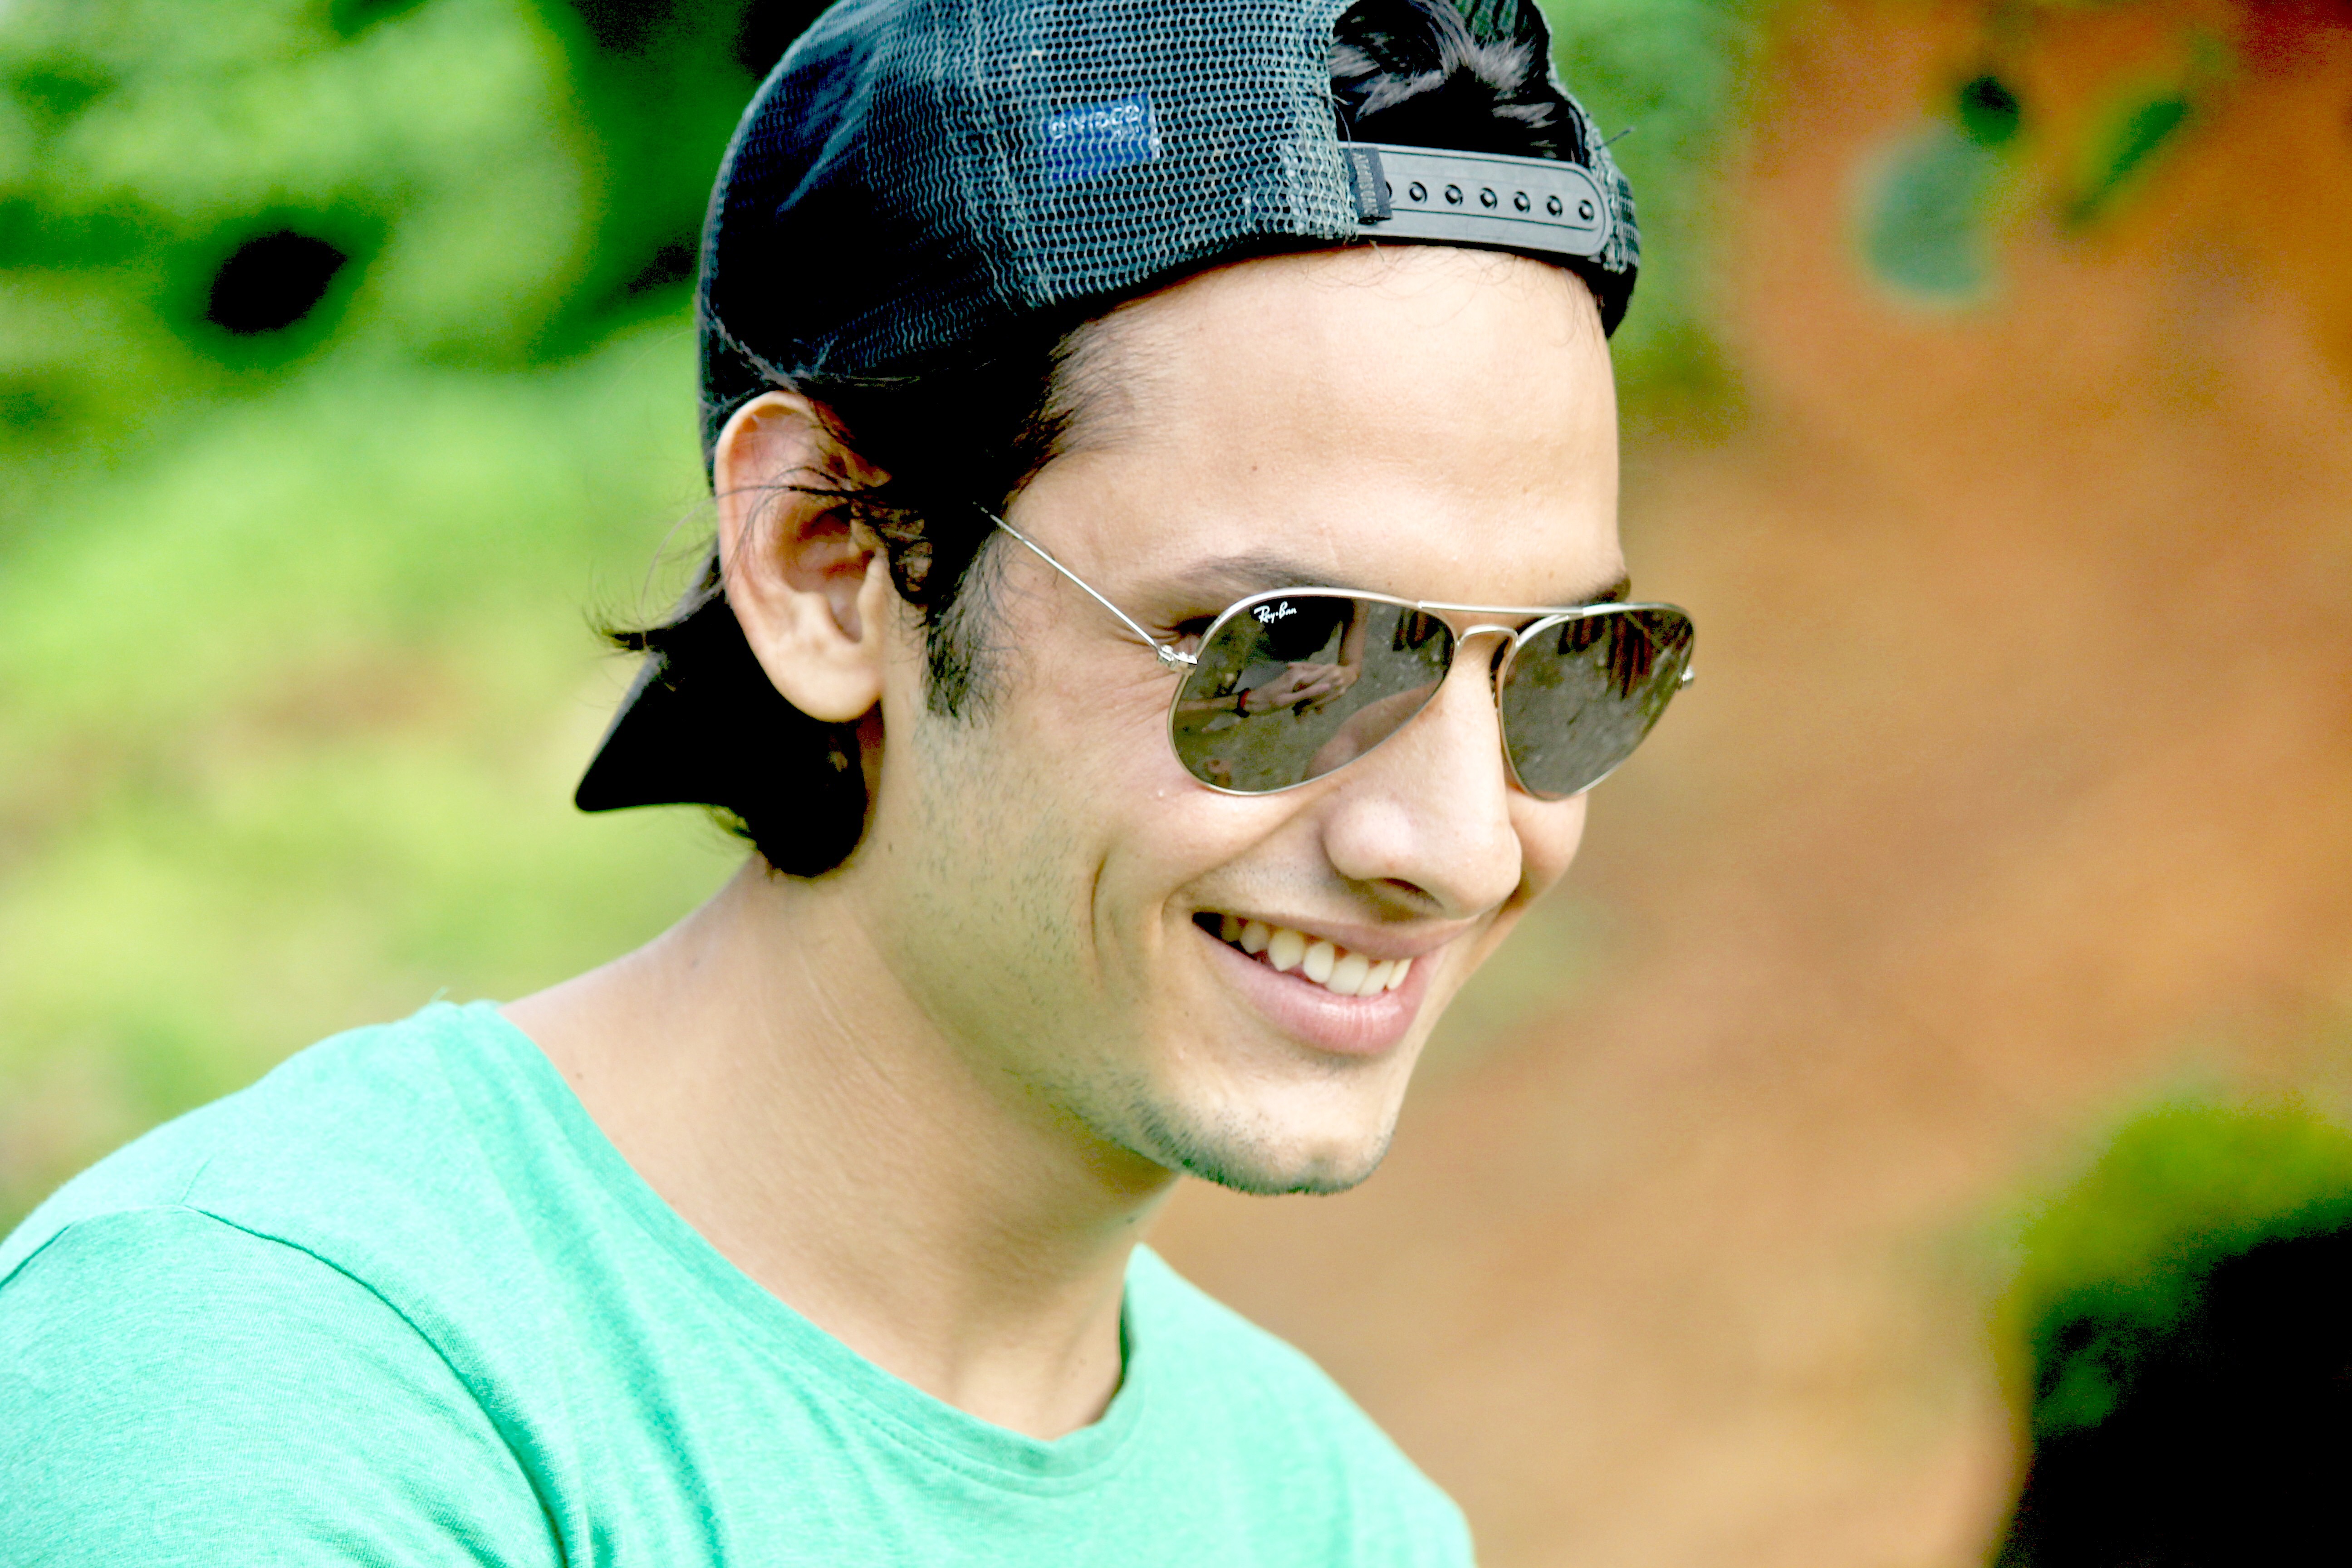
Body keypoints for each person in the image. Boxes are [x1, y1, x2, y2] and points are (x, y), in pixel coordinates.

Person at [0, 0, 1693, 1561]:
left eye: (1565, 664)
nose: (1461, 845)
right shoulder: (279, 1384)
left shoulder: (1339, 1521)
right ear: (829, 564)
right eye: (1292, 644)